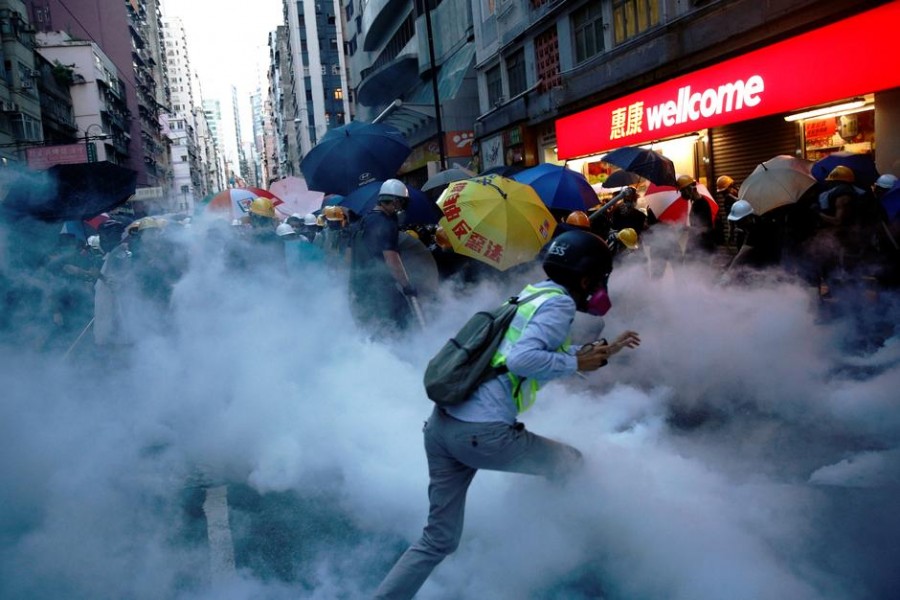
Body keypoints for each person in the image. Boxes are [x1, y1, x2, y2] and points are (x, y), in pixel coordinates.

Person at [374, 230, 640, 599]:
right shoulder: (560, 304)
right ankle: (576, 549)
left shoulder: (533, 294)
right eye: (599, 278)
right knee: (570, 464)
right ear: (586, 278)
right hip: (482, 435)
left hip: (442, 429)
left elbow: (520, 350)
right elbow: (521, 359)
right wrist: (576, 360)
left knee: (438, 540)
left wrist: (597, 351)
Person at [349, 179, 418, 336]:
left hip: (359, 288)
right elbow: (391, 259)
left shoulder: (361, 222)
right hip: (380, 290)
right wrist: (407, 286)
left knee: (372, 332)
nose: (400, 208)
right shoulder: (385, 223)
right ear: (394, 202)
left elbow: (348, 257)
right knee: (401, 326)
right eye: (401, 203)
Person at [678, 174, 715, 258]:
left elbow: (704, 229)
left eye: (682, 191)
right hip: (697, 246)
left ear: (689, 189)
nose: (682, 194)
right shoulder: (695, 203)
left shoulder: (702, 204)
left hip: (703, 248)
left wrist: (686, 228)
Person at [715, 175, 740, 247]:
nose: (723, 195)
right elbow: (730, 219)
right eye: (722, 193)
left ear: (731, 186)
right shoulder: (730, 199)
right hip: (741, 231)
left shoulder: (733, 197)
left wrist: (730, 235)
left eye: (724, 192)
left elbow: (730, 221)